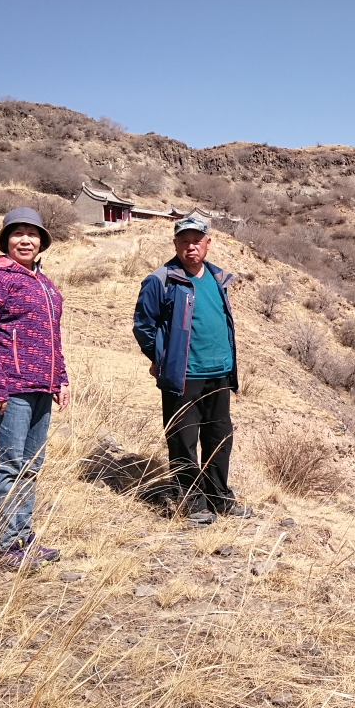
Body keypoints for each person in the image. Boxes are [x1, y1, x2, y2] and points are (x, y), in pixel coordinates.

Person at [0, 207, 70, 570]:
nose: (25, 240)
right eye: (17, 233)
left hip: (41, 385)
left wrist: (60, 378)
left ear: (42, 241)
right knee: (8, 463)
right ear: (5, 240)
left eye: (32, 234)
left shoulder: (44, 283)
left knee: (31, 465)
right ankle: (3, 545)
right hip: (9, 388)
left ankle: (22, 537)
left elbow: (51, 337)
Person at [133, 215, 251, 525]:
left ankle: (219, 498)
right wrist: (160, 360)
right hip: (183, 377)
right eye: (184, 241)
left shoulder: (217, 277)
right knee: (183, 440)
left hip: (220, 373)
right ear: (175, 244)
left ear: (207, 243)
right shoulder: (161, 280)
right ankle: (193, 503)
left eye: (196, 240)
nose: (191, 247)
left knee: (219, 437)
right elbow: (143, 326)